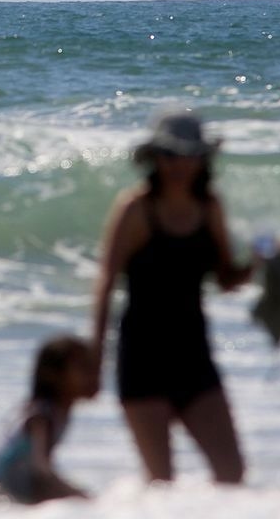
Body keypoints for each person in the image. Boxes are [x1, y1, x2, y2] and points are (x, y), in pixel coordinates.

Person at [92, 109, 254, 484]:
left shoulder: (209, 207)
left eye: (187, 155)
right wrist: (95, 358)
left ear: (202, 159)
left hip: (194, 356)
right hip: (142, 359)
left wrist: (260, 265)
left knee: (232, 474)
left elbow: (226, 278)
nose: (178, 164)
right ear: (154, 158)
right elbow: (105, 283)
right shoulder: (135, 209)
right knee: (161, 485)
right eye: (168, 155)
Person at [0, 335, 98, 504]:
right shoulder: (42, 416)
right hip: (2, 486)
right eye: (82, 368)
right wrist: (79, 495)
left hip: (7, 484)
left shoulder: (55, 411)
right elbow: (41, 469)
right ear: (53, 375)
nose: (91, 375)